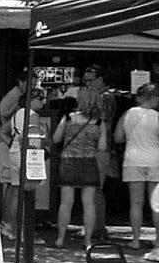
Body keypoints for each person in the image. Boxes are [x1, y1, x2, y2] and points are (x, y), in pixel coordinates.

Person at [53, 95, 106, 249]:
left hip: (68, 161)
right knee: (89, 204)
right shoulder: (99, 122)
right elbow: (102, 147)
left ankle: (60, 238)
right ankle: (88, 240)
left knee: (66, 203)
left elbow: (56, 138)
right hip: (89, 161)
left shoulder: (68, 118)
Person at [114, 82, 159, 250]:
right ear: (153, 98)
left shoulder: (128, 114)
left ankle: (135, 240)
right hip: (155, 161)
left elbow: (118, 137)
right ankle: (158, 240)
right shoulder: (157, 116)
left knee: (136, 203)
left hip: (132, 160)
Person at [0, 89, 48, 240]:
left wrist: (12, 145)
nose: (43, 101)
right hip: (28, 155)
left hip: (15, 153)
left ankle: (11, 227)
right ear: (30, 99)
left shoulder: (17, 113)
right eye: (40, 98)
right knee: (27, 192)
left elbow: (3, 132)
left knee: (15, 191)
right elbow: (36, 138)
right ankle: (22, 231)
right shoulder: (33, 115)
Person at [78, 65, 117, 241]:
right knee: (91, 189)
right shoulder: (98, 97)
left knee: (96, 189)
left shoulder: (106, 98)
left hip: (100, 148)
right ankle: (93, 226)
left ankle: (98, 227)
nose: (88, 84)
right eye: (85, 80)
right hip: (94, 147)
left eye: (91, 80)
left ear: (101, 79)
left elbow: (104, 125)